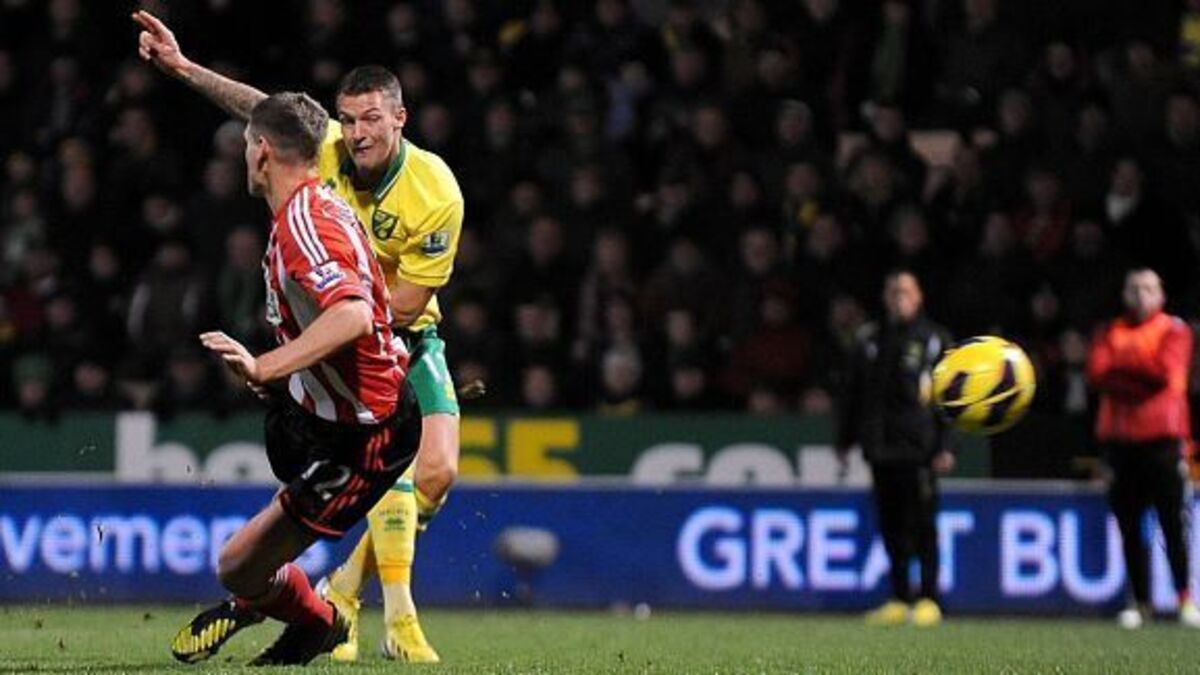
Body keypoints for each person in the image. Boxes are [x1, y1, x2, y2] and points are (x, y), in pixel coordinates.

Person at [134, 11, 464, 661]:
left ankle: (364, 607)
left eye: (373, 119)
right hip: (331, 364)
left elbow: (387, 309)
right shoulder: (323, 162)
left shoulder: (430, 194)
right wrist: (183, 68)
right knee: (268, 534)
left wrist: (277, 362)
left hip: (395, 345)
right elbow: (266, 112)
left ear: (401, 118)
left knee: (433, 467)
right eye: (349, 120)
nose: (359, 132)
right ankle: (315, 598)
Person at [170, 92, 421, 666]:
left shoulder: (305, 224)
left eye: (246, 146)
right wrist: (181, 71)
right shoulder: (313, 202)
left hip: (366, 434)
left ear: (261, 152)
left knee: (237, 566)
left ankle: (314, 621)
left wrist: (265, 365)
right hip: (319, 411)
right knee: (251, 561)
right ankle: (271, 598)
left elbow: (352, 315)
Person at [835, 270, 954, 627]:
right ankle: (900, 597)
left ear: (918, 297)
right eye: (893, 291)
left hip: (920, 448)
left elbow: (950, 397)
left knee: (923, 524)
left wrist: (947, 445)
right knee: (891, 525)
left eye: (905, 291)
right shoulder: (870, 339)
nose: (898, 298)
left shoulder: (934, 339)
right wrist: (844, 439)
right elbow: (853, 393)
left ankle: (929, 598)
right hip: (880, 447)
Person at [1087, 268, 1199, 629]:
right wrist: (1135, 374)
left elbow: (1163, 372)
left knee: (1173, 524)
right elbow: (1098, 373)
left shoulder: (1175, 330)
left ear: (1161, 295)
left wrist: (1121, 372)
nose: (1141, 295)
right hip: (1120, 443)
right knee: (1130, 526)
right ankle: (1140, 602)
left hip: (1163, 440)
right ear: (1124, 294)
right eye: (1134, 288)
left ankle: (1184, 599)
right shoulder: (1109, 331)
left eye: (1148, 288)